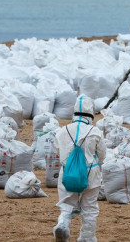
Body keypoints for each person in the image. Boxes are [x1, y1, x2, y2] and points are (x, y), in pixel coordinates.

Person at [53, 95, 106, 242]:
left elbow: (57, 150)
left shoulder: (62, 131)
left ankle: (63, 223)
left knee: (67, 204)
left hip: (68, 173)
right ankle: (87, 238)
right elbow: (102, 155)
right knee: (89, 207)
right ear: (91, 115)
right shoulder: (95, 132)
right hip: (91, 173)